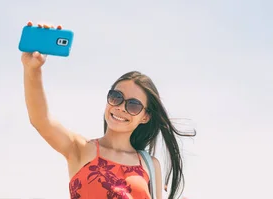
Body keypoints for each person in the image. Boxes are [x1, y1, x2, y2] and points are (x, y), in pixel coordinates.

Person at [21, 26, 195, 199]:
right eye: (116, 97)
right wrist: (32, 70)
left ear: (145, 116)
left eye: (133, 105)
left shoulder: (150, 165)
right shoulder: (80, 148)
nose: (120, 107)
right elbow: (41, 120)